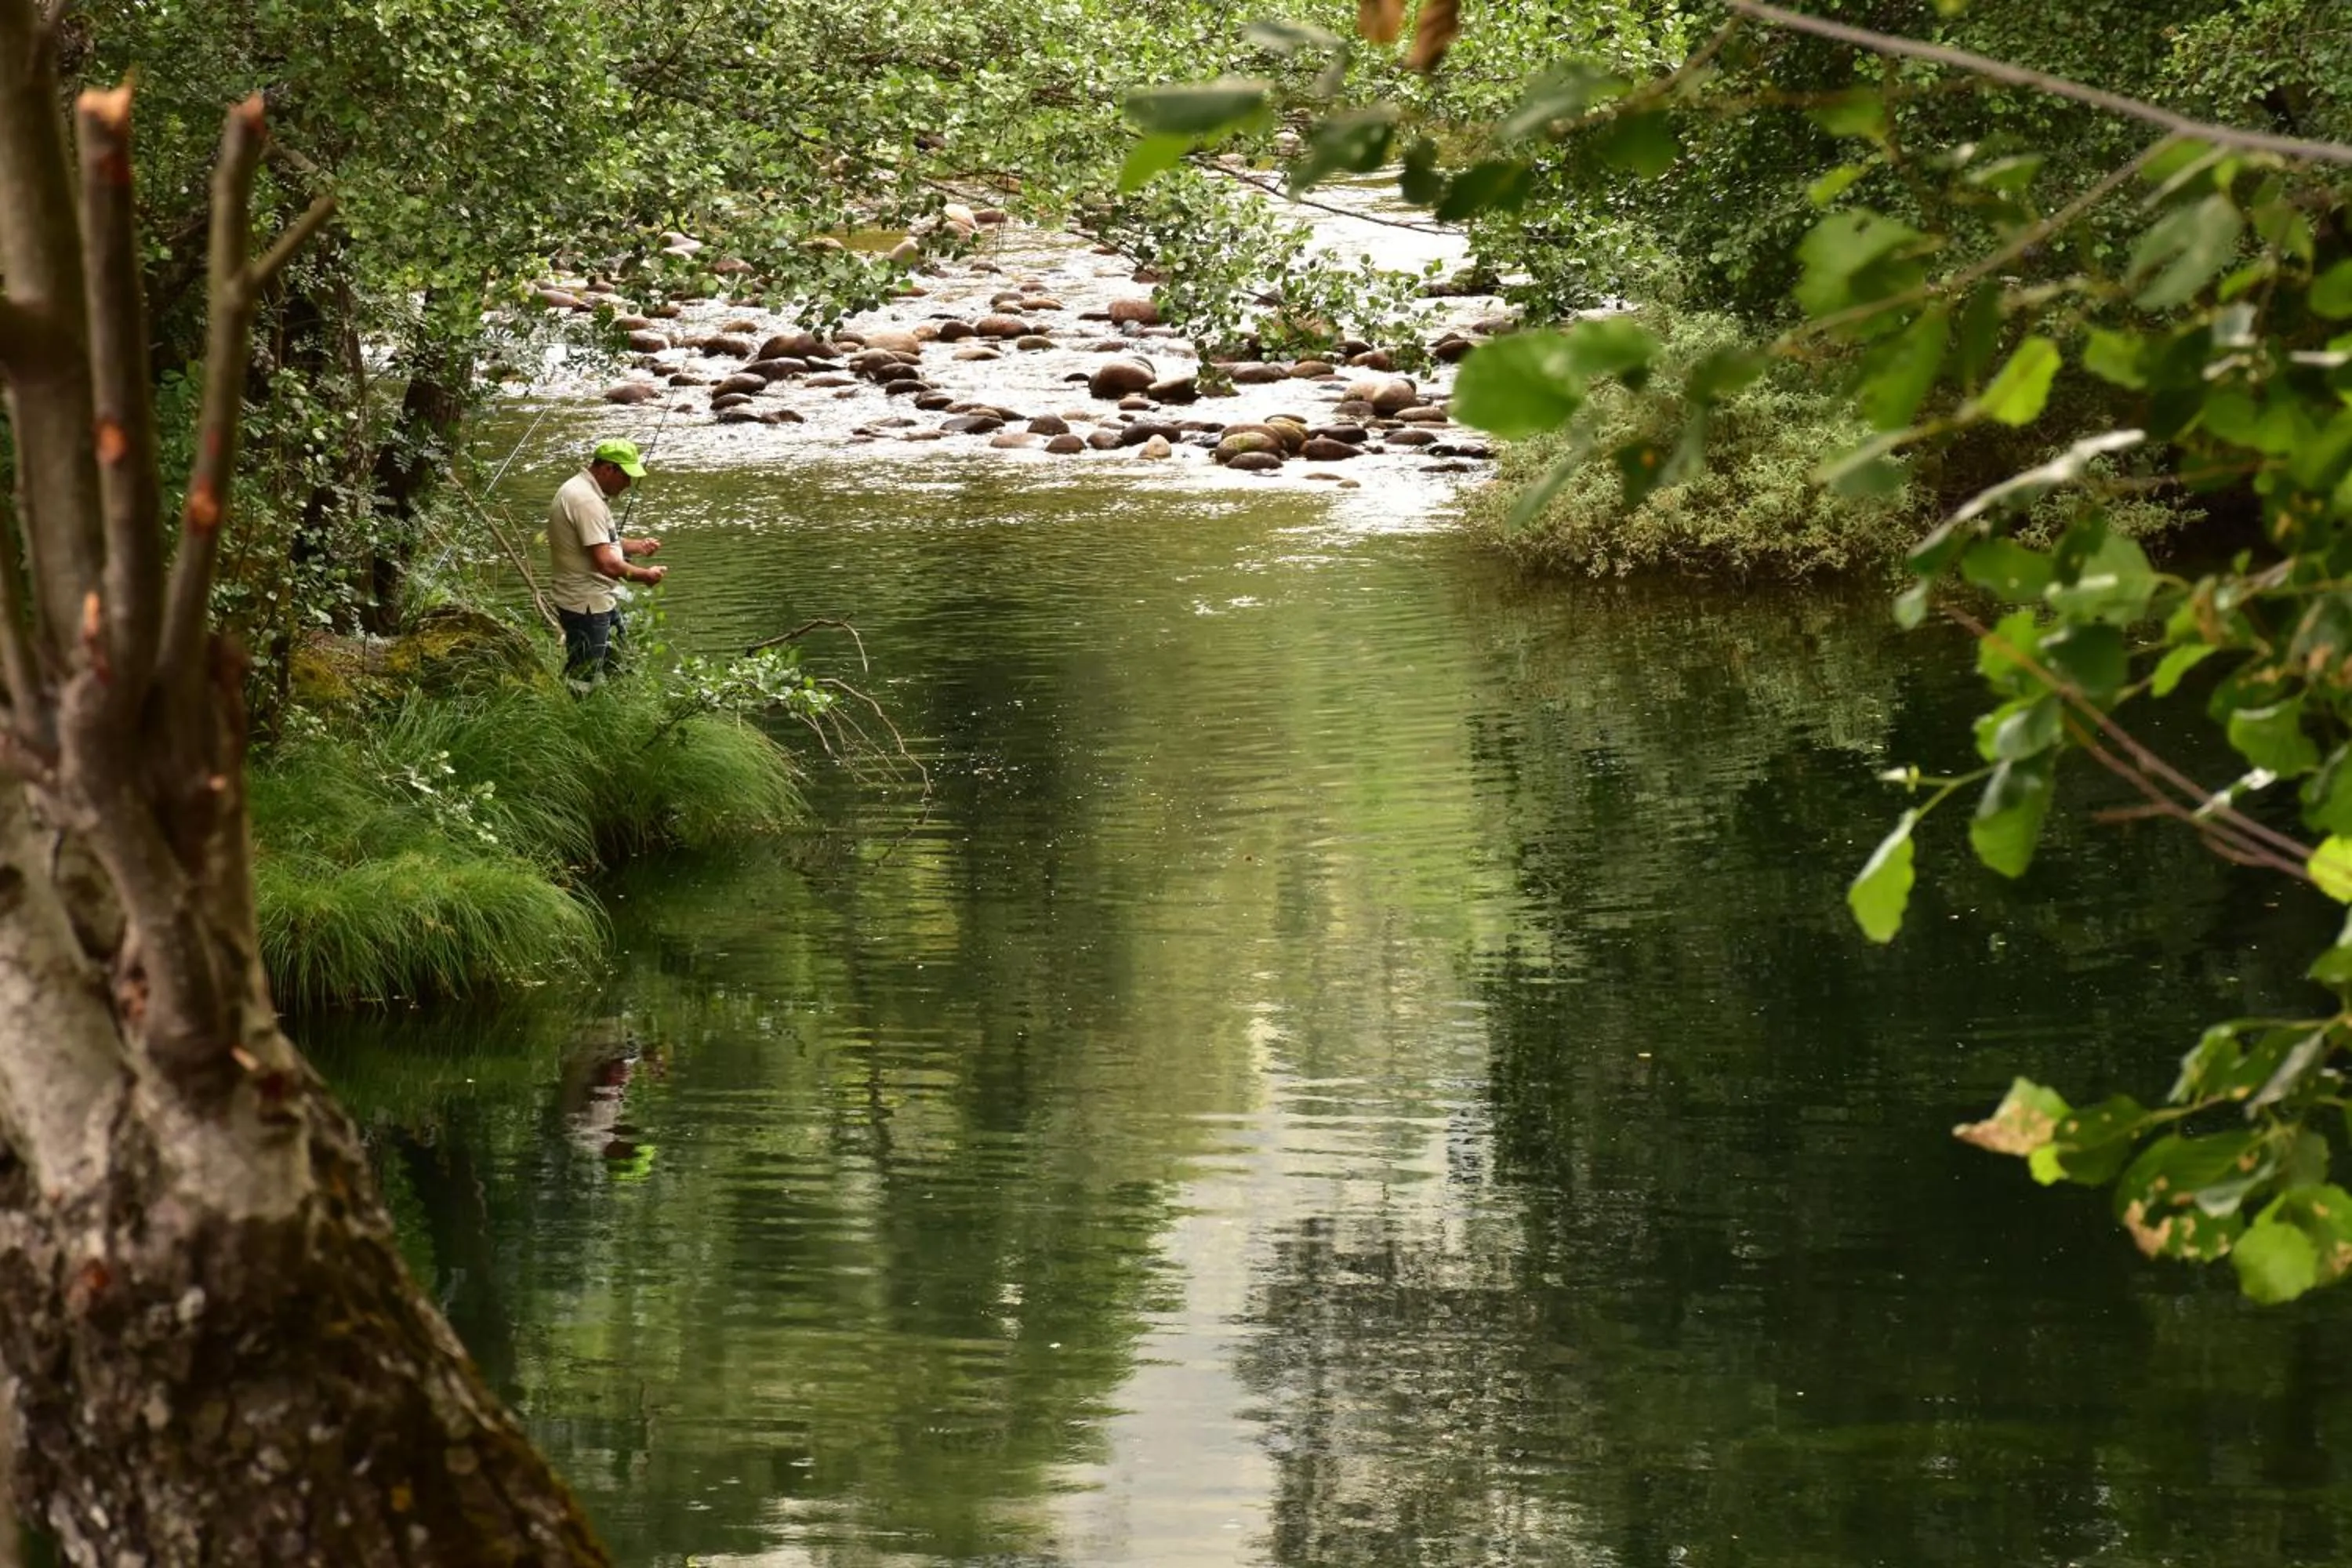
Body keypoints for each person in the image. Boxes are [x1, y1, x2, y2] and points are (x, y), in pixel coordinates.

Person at [547, 437, 666, 684]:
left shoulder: (580, 489)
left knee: (619, 665)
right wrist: (645, 576)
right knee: (583, 676)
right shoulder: (586, 501)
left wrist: (637, 547)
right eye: (626, 476)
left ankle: (611, 712)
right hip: (586, 604)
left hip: (596, 601)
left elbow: (597, 542)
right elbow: (607, 564)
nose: (628, 484)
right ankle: (575, 718)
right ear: (608, 469)